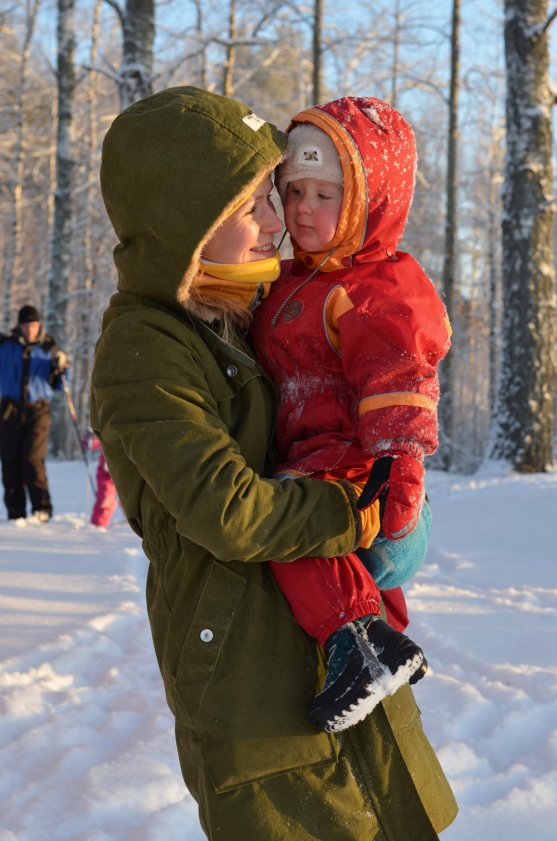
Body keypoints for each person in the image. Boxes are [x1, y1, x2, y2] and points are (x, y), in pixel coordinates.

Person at [90, 86, 457, 840]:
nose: (274, 222)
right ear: (185, 222)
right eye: (249, 204)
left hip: (328, 644)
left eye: (275, 196)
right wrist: (356, 509)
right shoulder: (144, 347)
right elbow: (228, 510)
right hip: (247, 672)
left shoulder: (248, 307)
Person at [251, 96, 451, 732]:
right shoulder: (288, 282)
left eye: (326, 195)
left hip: (365, 476)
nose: (304, 209)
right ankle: (382, 630)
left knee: (282, 518)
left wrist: (399, 485)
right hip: (321, 469)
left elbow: (399, 391)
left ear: (371, 203)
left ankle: (365, 645)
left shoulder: (375, 288)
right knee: (291, 506)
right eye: (294, 191)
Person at [0, 305, 68, 521]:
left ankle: (42, 509)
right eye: (26, 325)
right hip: (9, 410)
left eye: (33, 325)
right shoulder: (6, 346)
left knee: (32, 459)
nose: (30, 329)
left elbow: (60, 385)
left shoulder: (48, 348)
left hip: (37, 410)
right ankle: (16, 513)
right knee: (10, 462)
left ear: (39, 325)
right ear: (20, 326)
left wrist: (61, 368)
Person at [83, 429, 119, 527]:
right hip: (106, 473)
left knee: (129, 499)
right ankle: (98, 524)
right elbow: (93, 443)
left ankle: (136, 521)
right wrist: (90, 439)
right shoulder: (105, 425)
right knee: (105, 498)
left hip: (124, 468)